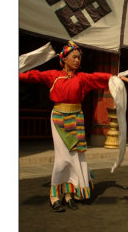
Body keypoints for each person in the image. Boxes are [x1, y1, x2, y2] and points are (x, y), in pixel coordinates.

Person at [19, 40, 113, 212]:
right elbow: (33, 76)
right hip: (59, 119)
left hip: (76, 118)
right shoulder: (53, 75)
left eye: (79, 58)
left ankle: (68, 193)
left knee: (74, 157)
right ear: (64, 59)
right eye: (74, 57)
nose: (77, 60)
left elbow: (98, 78)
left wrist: (114, 79)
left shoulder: (82, 78)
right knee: (63, 159)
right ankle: (54, 194)